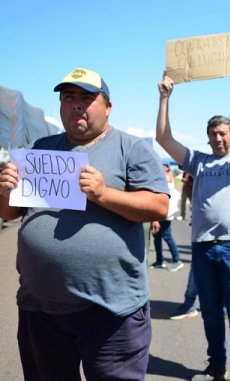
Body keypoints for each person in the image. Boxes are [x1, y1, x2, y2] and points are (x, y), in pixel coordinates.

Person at [0, 67, 169, 380]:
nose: (76, 104)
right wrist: (6, 191)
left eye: (87, 98)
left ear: (107, 107)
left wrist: (104, 194)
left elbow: (158, 206)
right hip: (40, 308)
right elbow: (11, 214)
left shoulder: (132, 148)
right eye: (69, 98)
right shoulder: (41, 148)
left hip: (110, 312)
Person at [156, 66, 230, 381]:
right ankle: (216, 367)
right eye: (213, 134)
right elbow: (163, 138)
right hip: (204, 248)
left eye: (223, 133)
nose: (218, 138)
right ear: (208, 138)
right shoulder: (198, 161)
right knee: (210, 314)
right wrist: (165, 98)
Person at [150, 163, 184, 271]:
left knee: (166, 235)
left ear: (167, 167)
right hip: (166, 210)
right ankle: (160, 260)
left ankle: (176, 259)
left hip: (164, 211)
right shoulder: (168, 176)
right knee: (158, 236)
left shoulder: (164, 177)